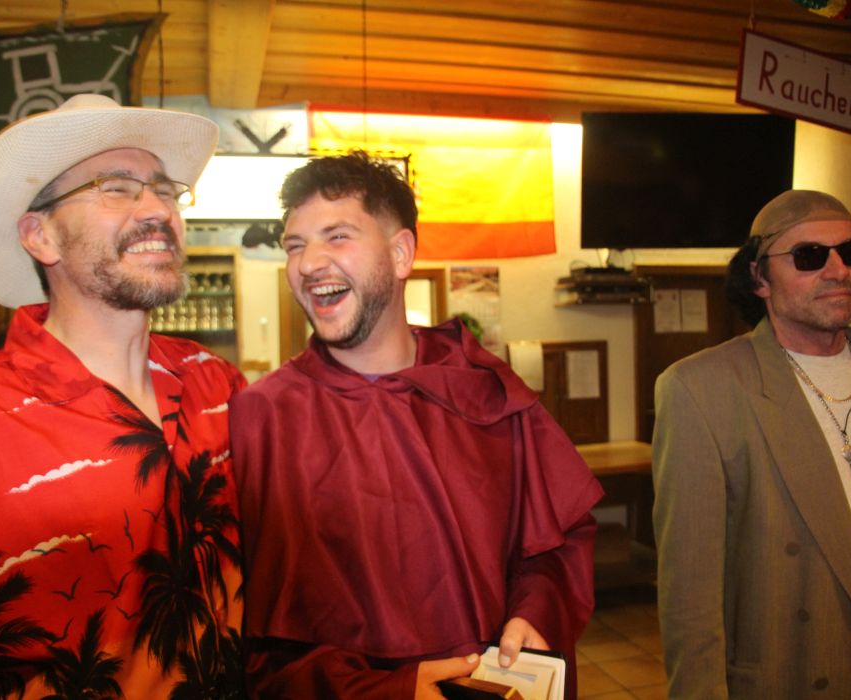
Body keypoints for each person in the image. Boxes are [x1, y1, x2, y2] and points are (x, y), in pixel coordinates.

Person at [0, 94, 246, 699]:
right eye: (116, 188)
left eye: (165, 191)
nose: (158, 210)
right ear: (40, 235)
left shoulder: (218, 386)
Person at [230, 152, 604, 699]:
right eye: (294, 246)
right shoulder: (261, 418)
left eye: (337, 237)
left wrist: (533, 613)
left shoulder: (486, 390)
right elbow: (257, 633)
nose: (308, 264)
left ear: (401, 253)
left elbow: (554, 542)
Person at [653, 189, 851, 698]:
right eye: (809, 255)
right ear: (759, 278)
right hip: (801, 676)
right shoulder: (703, 389)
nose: (838, 270)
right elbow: (690, 596)